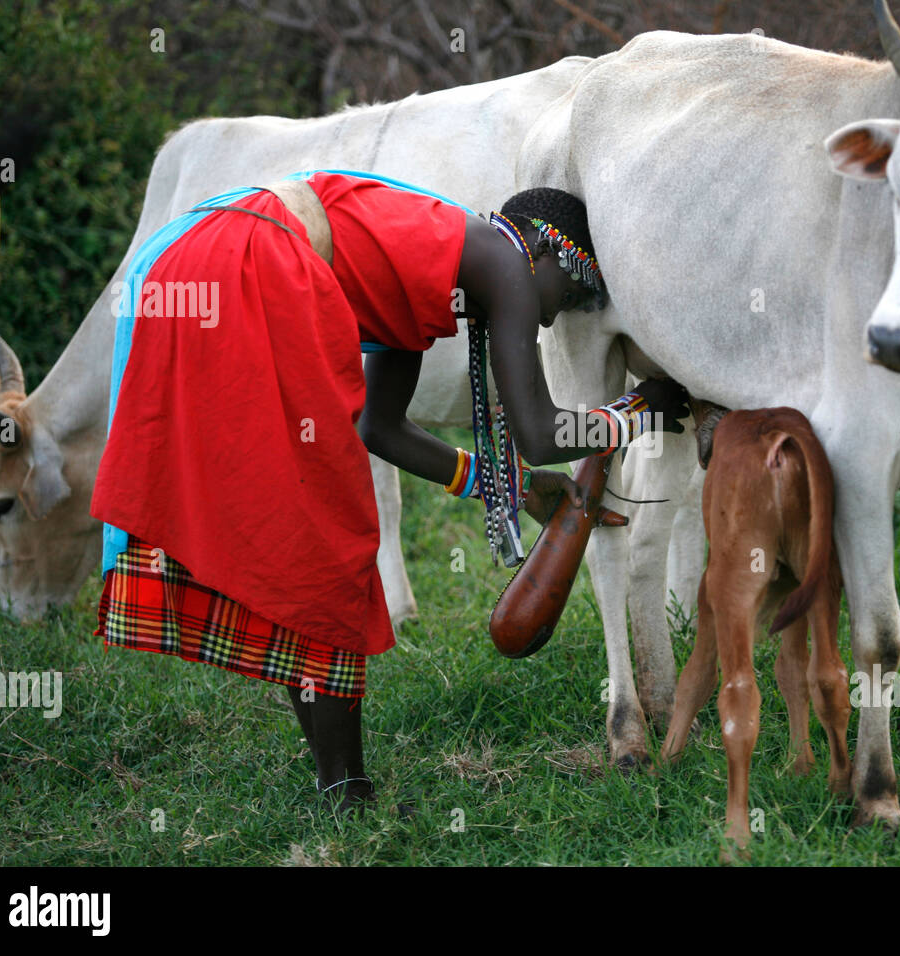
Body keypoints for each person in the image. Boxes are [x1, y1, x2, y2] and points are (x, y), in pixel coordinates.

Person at [90, 169, 689, 811]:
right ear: (543, 253)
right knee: (332, 534)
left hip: (207, 258)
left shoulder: (436, 269)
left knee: (297, 530)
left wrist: (514, 487)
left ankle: (341, 787)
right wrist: (636, 407)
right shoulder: (505, 265)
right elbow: (541, 433)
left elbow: (382, 426)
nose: (556, 314)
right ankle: (349, 791)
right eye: (571, 290)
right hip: (251, 260)